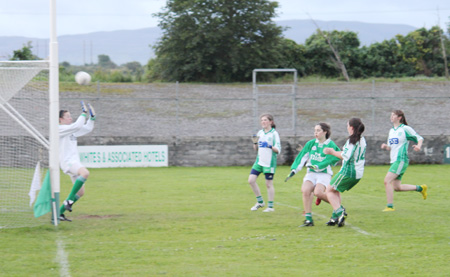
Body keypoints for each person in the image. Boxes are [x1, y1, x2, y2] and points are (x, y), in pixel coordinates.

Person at [286, 123, 341, 227]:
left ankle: (338, 208)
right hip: (311, 173)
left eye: (318, 130)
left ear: (325, 132)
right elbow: (302, 157)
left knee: (318, 193)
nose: (316, 133)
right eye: (315, 130)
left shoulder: (331, 144)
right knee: (305, 190)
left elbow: (337, 156)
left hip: (324, 174)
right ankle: (308, 220)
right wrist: (294, 169)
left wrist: (320, 165)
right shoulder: (311, 144)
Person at [323, 118, 366, 227]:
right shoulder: (362, 139)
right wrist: (334, 152)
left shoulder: (352, 141)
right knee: (335, 190)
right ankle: (335, 218)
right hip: (357, 173)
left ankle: (340, 212)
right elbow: (347, 153)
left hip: (349, 172)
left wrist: (332, 152)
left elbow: (345, 156)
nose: (347, 127)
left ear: (351, 127)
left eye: (347, 125)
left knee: (328, 190)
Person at [380, 110, 427, 212]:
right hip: (394, 160)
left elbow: (419, 138)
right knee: (397, 187)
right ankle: (421, 188)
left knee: (386, 181)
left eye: (393, 115)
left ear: (399, 117)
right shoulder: (391, 131)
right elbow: (391, 147)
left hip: (401, 160)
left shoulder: (405, 129)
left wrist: (418, 146)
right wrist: (386, 146)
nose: (391, 117)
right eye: (391, 115)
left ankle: (390, 206)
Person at [58, 102, 96, 222]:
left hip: (74, 162)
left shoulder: (71, 129)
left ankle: (58, 214)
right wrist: (83, 113)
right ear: (60, 119)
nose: (71, 118)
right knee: (85, 173)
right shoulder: (59, 128)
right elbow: (77, 125)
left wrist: (92, 118)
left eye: (71, 116)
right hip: (67, 162)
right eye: (68, 116)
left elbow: (86, 128)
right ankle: (68, 201)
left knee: (80, 192)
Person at [248, 114, 281, 212]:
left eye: (265, 120)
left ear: (271, 122)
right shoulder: (260, 133)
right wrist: (255, 143)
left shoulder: (274, 134)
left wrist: (269, 146)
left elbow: (278, 150)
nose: (263, 122)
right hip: (259, 162)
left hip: (269, 163)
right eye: (262, 120)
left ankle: (270, 207)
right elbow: (256, 149)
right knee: (251, 180)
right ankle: (260, 202)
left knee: (268, 184)